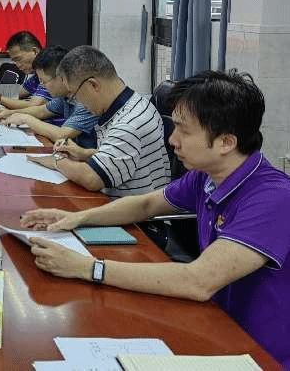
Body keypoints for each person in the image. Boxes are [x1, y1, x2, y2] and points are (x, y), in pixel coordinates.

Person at [20, 70, 290, 368]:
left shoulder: (273, 198)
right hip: (215, 325)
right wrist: (76, 217)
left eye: (184, 131)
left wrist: (87, 267)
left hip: (261, 354)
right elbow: (147, 204)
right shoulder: (207, 176)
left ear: (226, 142)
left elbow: (200, 281)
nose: (173, 140)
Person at [26, 45, 170, 196]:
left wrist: (56, 162)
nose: (77, 102)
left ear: (93, 85)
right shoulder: (137, 102)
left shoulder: (128, 124)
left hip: (127, 208)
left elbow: (92, 179)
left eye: (75, 95)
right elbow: (124, 157)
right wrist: (84, 153)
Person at [0, 46, 98, 148]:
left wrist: (26, 119)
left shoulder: (86, 100)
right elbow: (42, 111)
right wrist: (10, 113)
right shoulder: (66, 96)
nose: (43, 86)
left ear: (62, 77)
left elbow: (62, 135)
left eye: (44, 81)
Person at [0, 30, 52, 110]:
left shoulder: (49, 70)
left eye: (19, 59)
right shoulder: (37, 75)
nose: (17, 65)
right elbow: (19, 92)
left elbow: (33, 105)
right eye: (15, 61)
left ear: (34, 51)